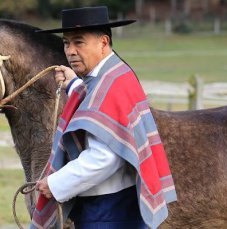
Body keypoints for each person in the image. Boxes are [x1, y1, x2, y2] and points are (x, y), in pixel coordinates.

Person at [30, 6, 177, 229]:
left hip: (109, 210)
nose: (70, 51)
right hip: (121, 204)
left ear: (103, 42)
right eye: (66, 43)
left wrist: (56, 183)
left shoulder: (109, 87)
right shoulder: (115, 74)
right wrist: (74, 84)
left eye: (79, 42)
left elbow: (105, 157)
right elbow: (95, 100)